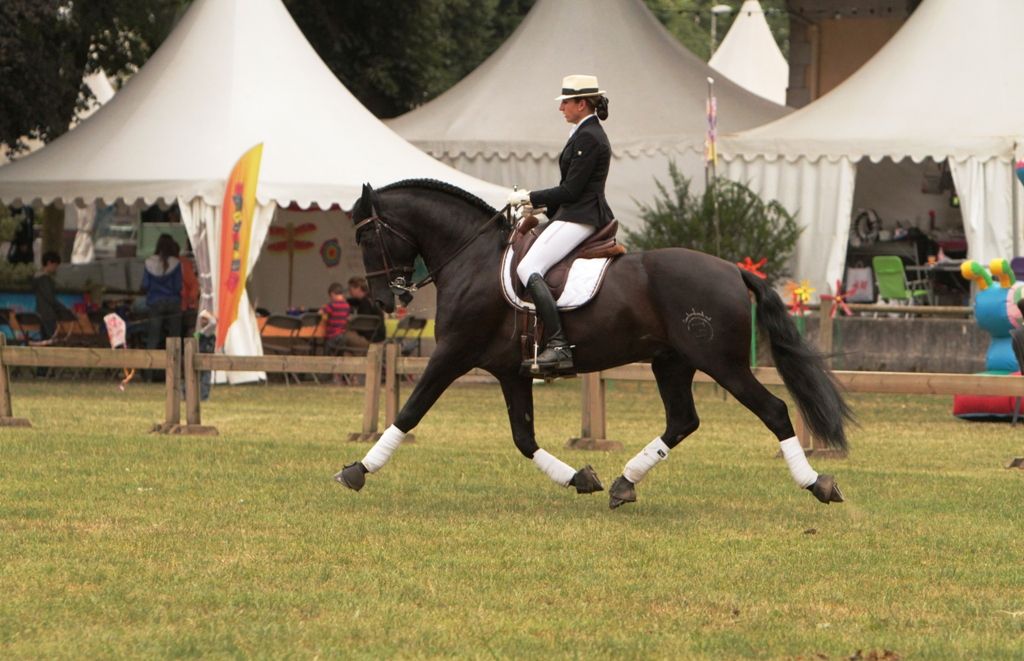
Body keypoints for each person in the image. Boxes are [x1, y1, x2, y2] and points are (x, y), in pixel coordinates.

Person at [506, 74, 614, 375]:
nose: (561, 108)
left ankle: (559, 344)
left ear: (581, 104)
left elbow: (572, 191)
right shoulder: (582, 132)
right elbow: (568, 188)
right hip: (571, 212)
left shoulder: (590, 137)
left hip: (583, 216)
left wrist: (529, 195)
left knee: (528, 268)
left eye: (566, 102)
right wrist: (540, 210)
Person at [142, 234, 183, 376]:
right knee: (174, 338)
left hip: (155, 302)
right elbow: (178, 286)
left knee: (153, 337)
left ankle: (149, 374)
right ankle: (175, 372)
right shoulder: (176, 263)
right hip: (173, 302)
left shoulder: (149, 262)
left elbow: (145, 284)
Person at [32, 251, 74, 339]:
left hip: (40, 313)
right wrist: (64, 309)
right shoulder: (44, 279)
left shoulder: (36, 278)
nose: (56, 268)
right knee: (51, 339)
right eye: (55, 265)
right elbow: (50, 298)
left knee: (45, 338)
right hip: (48, 314)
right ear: (49, 263)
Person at [323, 282, 369, 356]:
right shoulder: (346, 305)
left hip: (332, 335)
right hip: (342, 335)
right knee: (339, 352)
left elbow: (322, 313)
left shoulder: (331, 305)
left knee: (327, 352)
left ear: (332, 294)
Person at [346, 276, 385, 342]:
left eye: (350, 289)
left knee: (339, 336)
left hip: (369, 338)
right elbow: (354, 301)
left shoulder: (365, 304)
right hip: (378, 336)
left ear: (358, 288)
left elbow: (362, 327)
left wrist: (349, 322)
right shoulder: (370, 298)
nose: (349, 292)